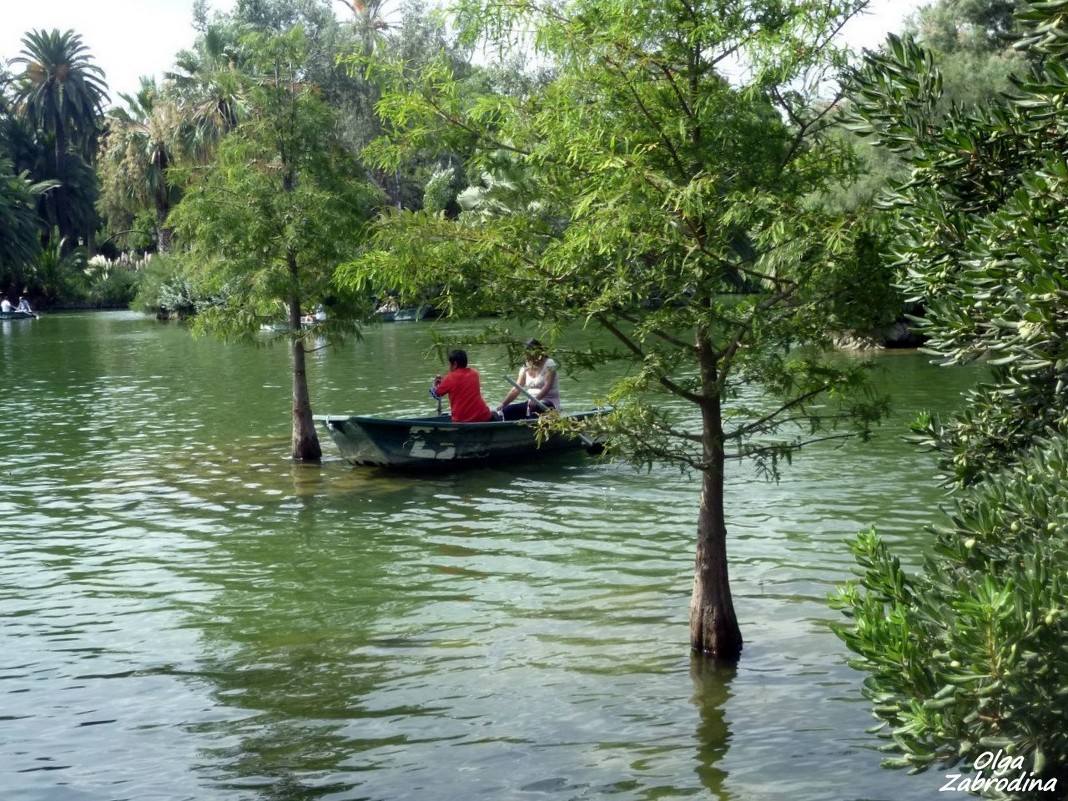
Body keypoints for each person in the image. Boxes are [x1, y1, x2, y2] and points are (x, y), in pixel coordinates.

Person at [497, 338, 561, 420]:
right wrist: (503, 404)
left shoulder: (549, 363)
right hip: (530, 404)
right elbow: (516, 389)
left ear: (537, 352)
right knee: (507, 411)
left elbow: (547, 385)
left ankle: (533, 429)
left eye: (529, 353)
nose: (527, 356)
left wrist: (536, 399)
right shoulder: (526, 366)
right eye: (526, 353)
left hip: (548, 403)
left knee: (535, 408)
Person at [430, 349, 494, 423]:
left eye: (449, 364)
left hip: (462, 420)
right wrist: (444, 381)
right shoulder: (474, 373)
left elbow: (436, 394)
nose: (449, 367)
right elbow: (460, 383)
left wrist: (434, 384)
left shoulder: (450, 378)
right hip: (483, 416)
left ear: (454, 364)